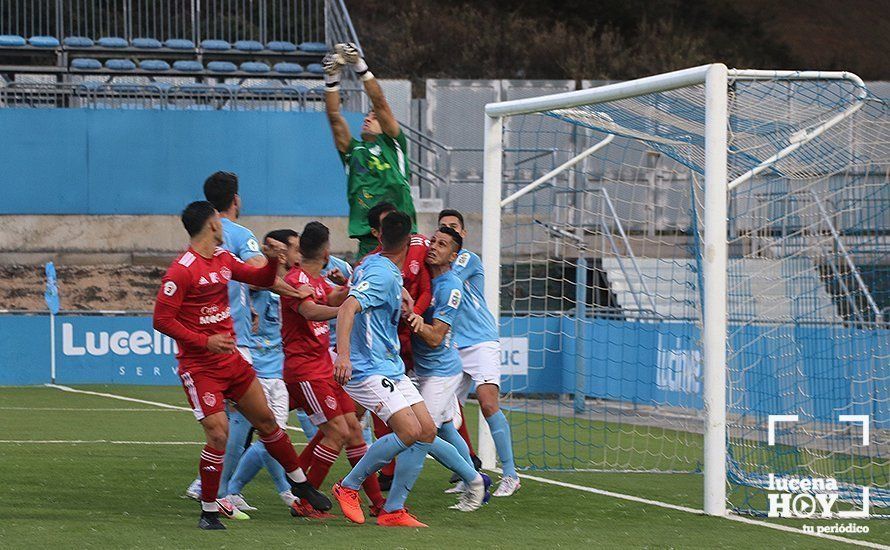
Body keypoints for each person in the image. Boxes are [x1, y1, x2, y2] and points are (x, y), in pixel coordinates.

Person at [152, 201, 330, 530]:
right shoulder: (182, 269)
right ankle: (208, 510)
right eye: (218, 222)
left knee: (267, 422)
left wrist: (274, 262)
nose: (222, 225)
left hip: (232, 362)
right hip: (200, 367)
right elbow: (161, 320)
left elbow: (257, 277)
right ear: (212, 226)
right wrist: (204, 341)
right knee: (219, 434)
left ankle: (300, 484)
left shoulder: (222, 259)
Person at [329, 212, 489, 528]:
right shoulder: (384, 275)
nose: (428, 248)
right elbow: (348, 307)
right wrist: (343, 357)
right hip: (370, 368)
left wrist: (402, 298)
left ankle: (394, 509)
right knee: (408, 432)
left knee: (427, 429)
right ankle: (349, 486)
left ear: (378, 238)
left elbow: (355, 295)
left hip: (392, 366)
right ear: (408, 244)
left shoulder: (378, 267)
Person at [185, 171, 310, 518]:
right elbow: (261, 273)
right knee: (246, 421)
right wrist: (295, 290)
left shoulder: (199, 242)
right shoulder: (239, 235)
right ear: (236, 200)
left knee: (250, 423)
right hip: (233, 341)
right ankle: (221, 490)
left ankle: (227, 486)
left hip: (216, 340)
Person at [280, 222, 387, 517]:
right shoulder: (294, 279)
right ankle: (304, 500)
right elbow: (310, 310)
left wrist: (349, 290)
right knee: (337, 431)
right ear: (327, 251)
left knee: (353, 430)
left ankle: (378, 503)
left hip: (322, 366)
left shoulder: (317, 278)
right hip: (304, 371)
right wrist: (344, 311)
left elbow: (332, 296)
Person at [438, 209, 521, 497]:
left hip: (480, 340)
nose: (448, 230)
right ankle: (470, 472)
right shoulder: (438, 262)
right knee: (441, 416)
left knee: (487, 403)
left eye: (453, 227)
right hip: (451, 344)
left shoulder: (466, 258)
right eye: (443, 227)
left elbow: (448, 279)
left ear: (462, 233)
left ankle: (510, 474)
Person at [225, 229, 304, 513]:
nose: (299, 254)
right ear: (280, 252)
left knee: (273, 435)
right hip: (256, 370)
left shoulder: (288, 282)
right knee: (268, 434)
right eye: (294, 248)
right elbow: (255, 284)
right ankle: (223, 490)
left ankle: (279, 489)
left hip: (276, 370)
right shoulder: (260, 286)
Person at [406, 226, 482, 510]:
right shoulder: (425, 276)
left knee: (419, 434)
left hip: (441, 372)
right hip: (424, 369)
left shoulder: (451, 286)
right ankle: (473, 476)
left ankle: (472, 480)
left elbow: (436, 336)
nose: (433, 247)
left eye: (442, 244)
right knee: (447, 429)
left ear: (454, 254)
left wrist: (415, 321)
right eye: (433, 241)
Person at [363, 201, 433, 489]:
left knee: (427, 427)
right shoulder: (374, 266)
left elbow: (426, 287)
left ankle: (471, 468)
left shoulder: (416, 250)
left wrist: (414, 310)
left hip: (406, 349)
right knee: (349, 424)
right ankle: (358, 482)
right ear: (377, 233)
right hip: (376, 359)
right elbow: (348, 307)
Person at [323, 43, 416, 257]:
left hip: (402, 236)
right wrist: (331, 78)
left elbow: (380, 102)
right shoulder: (352, 151)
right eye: (367, 116)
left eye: (373, 117)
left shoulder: (393, 144)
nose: (367, 118)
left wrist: (358, 64)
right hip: (368, 239)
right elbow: (334, 116)